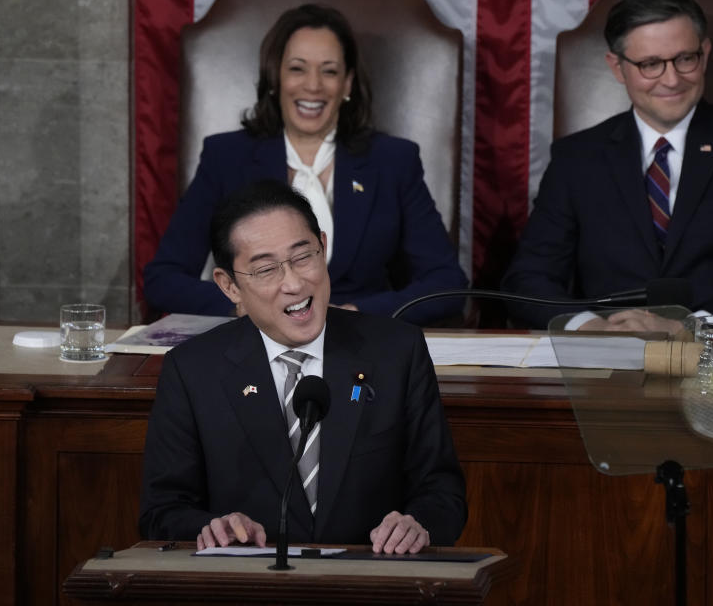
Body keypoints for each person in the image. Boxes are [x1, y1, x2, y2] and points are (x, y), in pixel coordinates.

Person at [138, 180, 467, 554]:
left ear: (323, 248)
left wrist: (418, 524)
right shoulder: (193, 370)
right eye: (266, 270)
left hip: (370, 582)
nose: (293, 283)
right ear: (229, 286)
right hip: (249, 586)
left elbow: (442, 491)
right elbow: (161, 510)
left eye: (303, 257)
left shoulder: (397, 351)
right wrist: (208, 528)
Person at [502, 0, 713, 336]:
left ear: (705, 54)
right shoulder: (577, 157)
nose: (671, 79)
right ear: (618, 68)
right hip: (608, 361)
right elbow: (529, 278)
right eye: (650, 64)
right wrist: (590, 327)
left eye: (685, 58)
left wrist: (692, 329)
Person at [143, 3, 466, 326]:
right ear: (275, 77)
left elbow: (447, 282)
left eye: (329, 71)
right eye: (297, 68)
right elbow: (163, 278)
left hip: (360, 345)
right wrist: (246, 305)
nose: (313, 85)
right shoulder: (226, 156)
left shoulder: (393, 161)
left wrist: (357, 315)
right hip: (255, 344)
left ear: (347, 84)